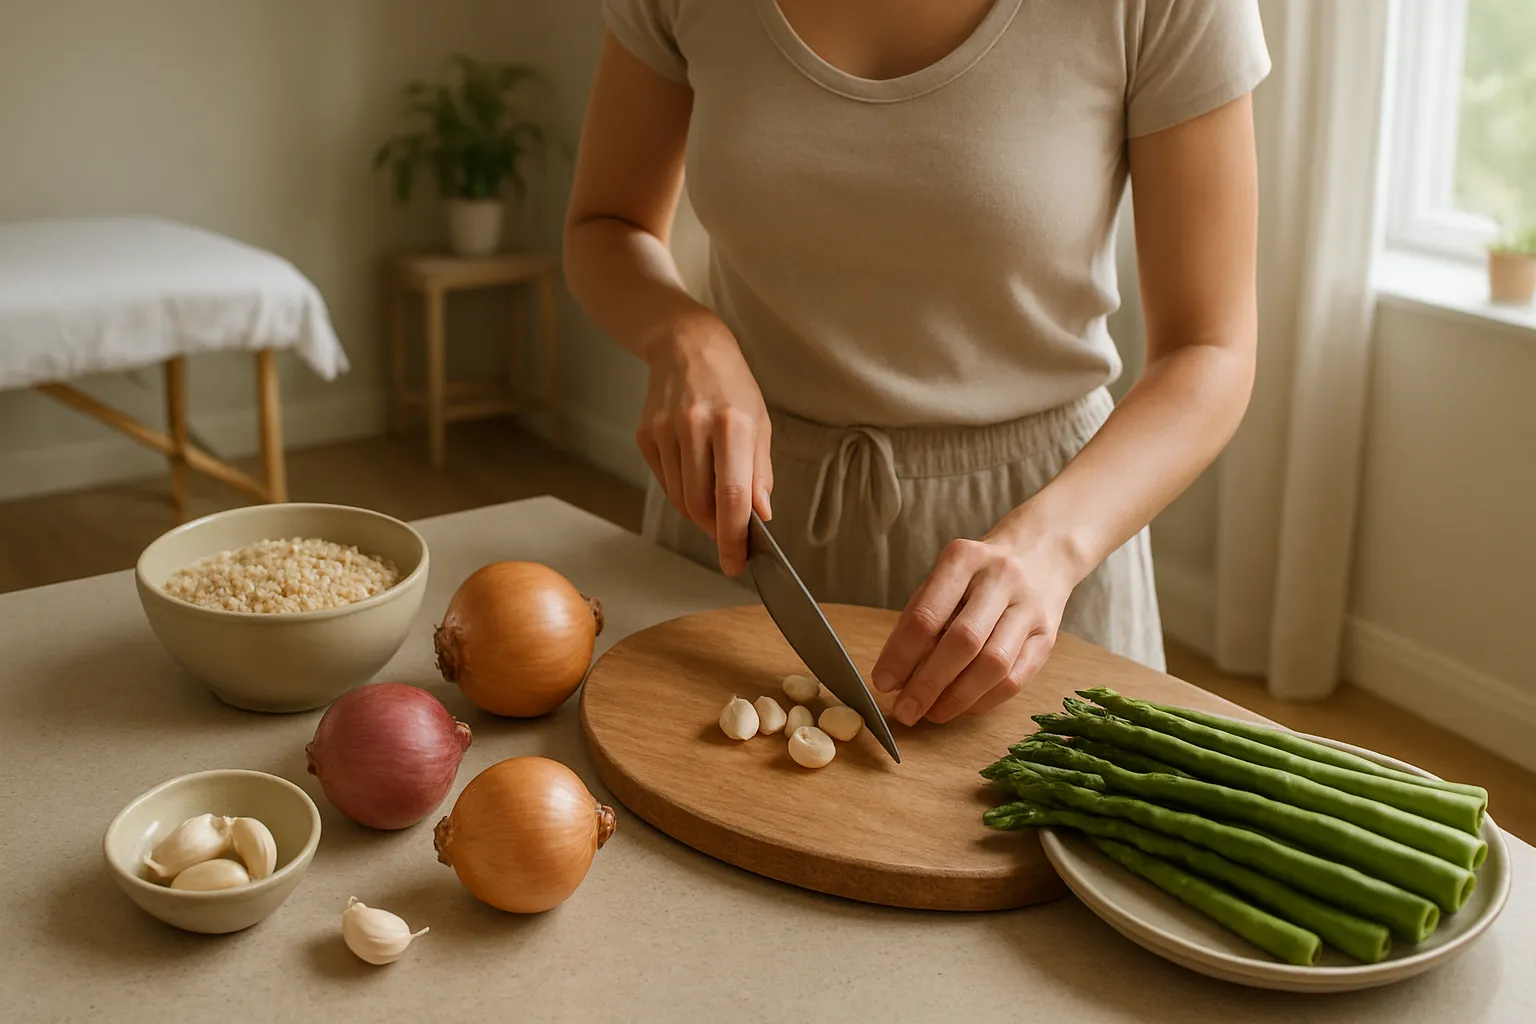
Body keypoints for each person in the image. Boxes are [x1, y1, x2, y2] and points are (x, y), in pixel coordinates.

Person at [563, 0, 1269, 728]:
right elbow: (606, 224)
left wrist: (1051, 547)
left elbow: (1209, 348)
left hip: (1041, 551)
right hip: (746, 526)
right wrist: (685, 336)